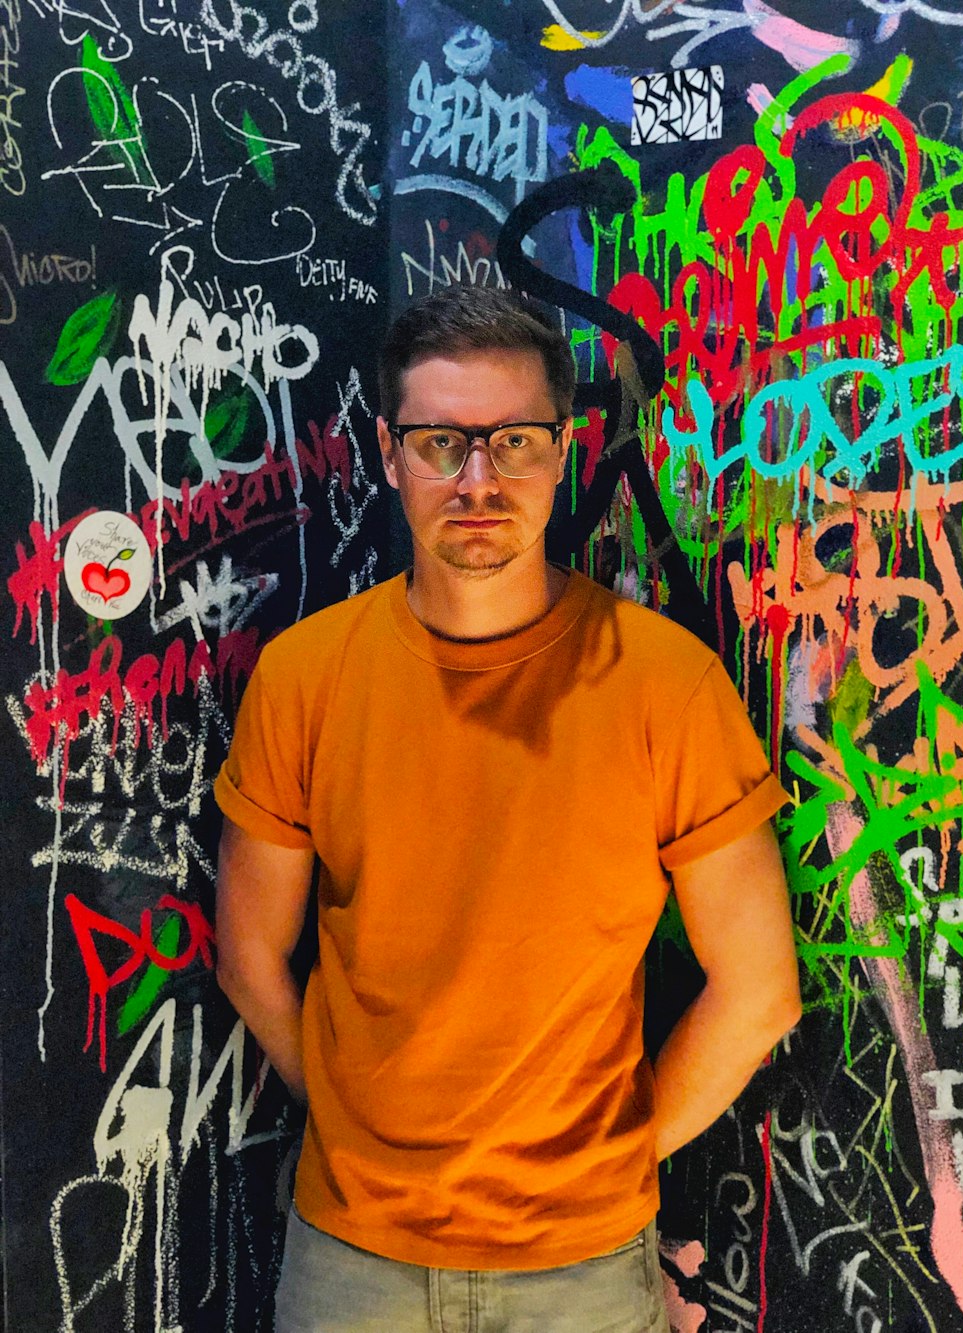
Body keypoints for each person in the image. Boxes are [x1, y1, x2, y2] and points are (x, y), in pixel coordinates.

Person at [213, 286, 802, 1333]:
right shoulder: (306, 677)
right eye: (442, 441)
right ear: (390, 454)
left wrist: (605, 1165)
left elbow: (759, 989)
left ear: (560, 450)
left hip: (581, 1267)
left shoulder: (665, 684)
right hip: (353, 1262)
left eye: (514, 441)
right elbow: (249, 954)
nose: (478, 478)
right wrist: (356, 1135)